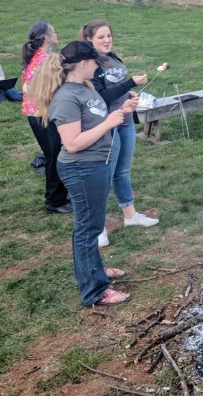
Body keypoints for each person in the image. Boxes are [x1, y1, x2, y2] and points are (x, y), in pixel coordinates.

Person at [29, 40, 136, 307]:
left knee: (91, 225)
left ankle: (94, 270)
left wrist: (121, 111)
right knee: (88, 230)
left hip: (95, 164)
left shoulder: (85, 87)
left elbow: (94, 119)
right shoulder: (66, 97)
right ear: (84, 63)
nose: (98, 68)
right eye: (95, 63)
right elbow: (73, 143)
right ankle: (95, 290)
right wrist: (109, 123)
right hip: (82, 167)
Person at [80, 20, 158, 247]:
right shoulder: (90, 65)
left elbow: (117, 87)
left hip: (125, 120)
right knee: (105, 175)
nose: (107, 40)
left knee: (122, 171)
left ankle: (130, 216)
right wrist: (130, 83)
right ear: (89, 40)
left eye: (109, 36)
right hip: (107, 124)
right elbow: (100, 97)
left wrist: (129, 93)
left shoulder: (112, 57)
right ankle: (98, 228)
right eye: (101, 37)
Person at [22, 22, 72, 214]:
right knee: (55, 156)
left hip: (35, 114)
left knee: (53, 155)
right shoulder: (47, 59)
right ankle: (54, 201)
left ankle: (58, 196)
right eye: (54, 32)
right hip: (44, 114)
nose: (56, 34)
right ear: (47, 38)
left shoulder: (36, 57)